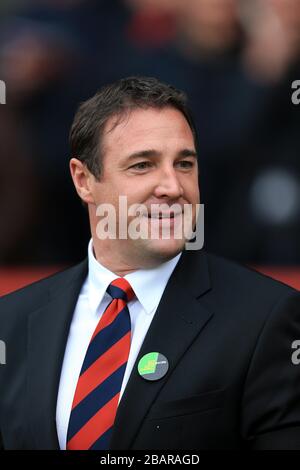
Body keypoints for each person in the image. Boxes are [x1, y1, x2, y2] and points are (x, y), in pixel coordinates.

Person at [0, 76, 300, 451]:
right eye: (143, 165)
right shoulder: (11, 322)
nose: (173, 186)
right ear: (83, 180)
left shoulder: (266, 319)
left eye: (185, 163)